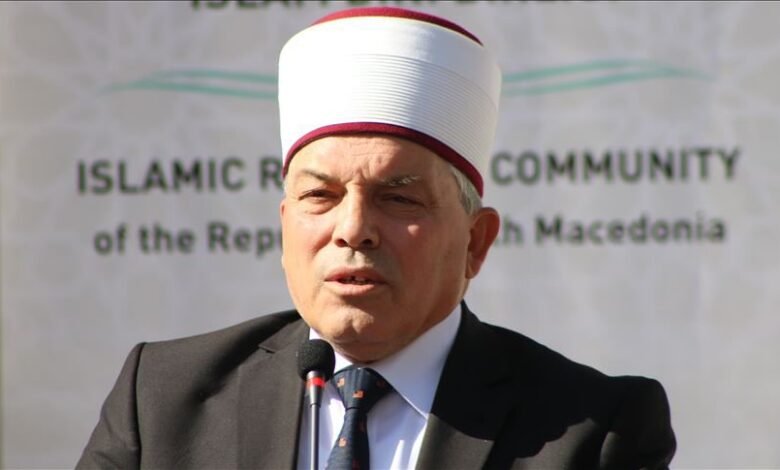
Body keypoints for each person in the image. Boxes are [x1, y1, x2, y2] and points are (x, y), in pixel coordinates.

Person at [77, 7, 676, 469]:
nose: (353, 230)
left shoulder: (592, 430)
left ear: (476, 242)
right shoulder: (163, 399)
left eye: (399, 198)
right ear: (285, 226)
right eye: (320, 196)